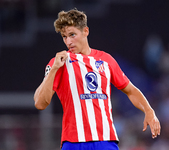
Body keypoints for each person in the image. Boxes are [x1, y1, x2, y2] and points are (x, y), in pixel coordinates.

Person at [34, 8, 161, 150]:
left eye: (72, 35)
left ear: (85, 31)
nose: (68, 41)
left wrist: (149, 111)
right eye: (64, 37)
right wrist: (54, 70)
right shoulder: (59, 63)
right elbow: (40, 103)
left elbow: (130, 90)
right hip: (74, 143)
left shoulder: (106, 60)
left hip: (105, 141)